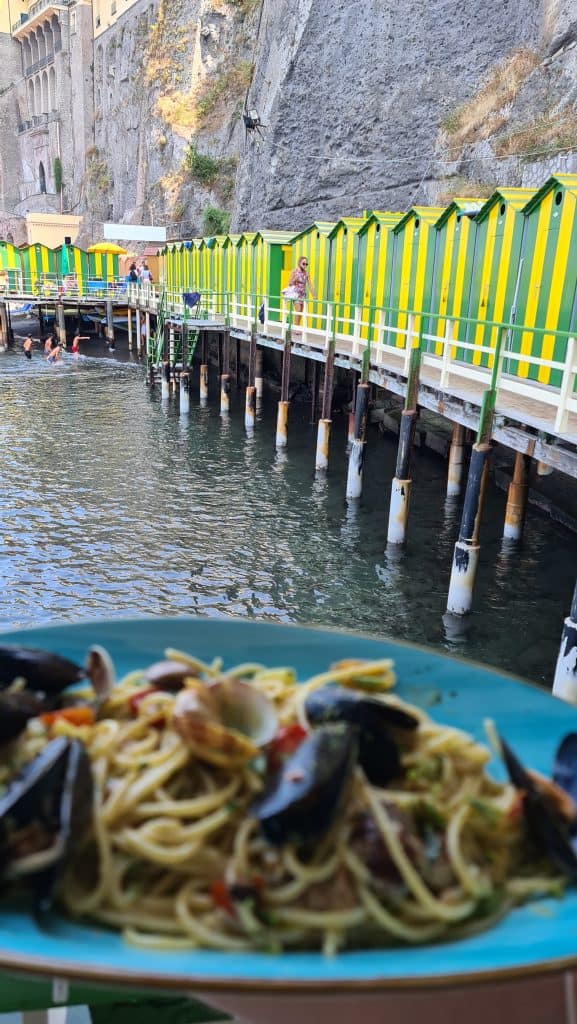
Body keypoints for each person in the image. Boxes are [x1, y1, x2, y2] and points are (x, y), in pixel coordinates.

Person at [288, 256, 315, 327]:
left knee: (301, 312)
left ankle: (297, 327)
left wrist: (314, 295)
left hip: (303, 294)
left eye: (306, 264)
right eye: (303, 263)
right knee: (298, 310)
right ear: (299, 263)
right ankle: (295, 328)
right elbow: (289, 284)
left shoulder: (306, 273)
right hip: (296, 294)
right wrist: (294, 279)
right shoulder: (294, 271)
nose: (305, 265)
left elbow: (310, 285)